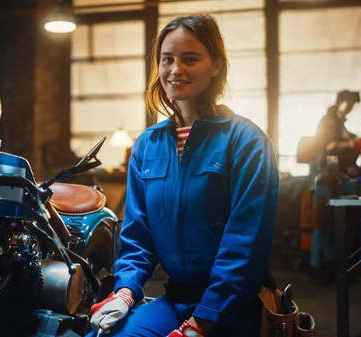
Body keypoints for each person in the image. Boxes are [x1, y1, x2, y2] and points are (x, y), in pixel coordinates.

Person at [87, 14, 279, 337]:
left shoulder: (247, 142)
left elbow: (245, 245)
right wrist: (125, 292)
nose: (176, 70)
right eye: (167, 60)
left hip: (232, 306)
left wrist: (201, 324)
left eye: (190, 59)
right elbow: (138, 235)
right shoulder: (147, 145)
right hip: (174, 299)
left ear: (216, 64)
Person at [308, 90, 361, 285]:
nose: (349, 109)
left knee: (332, 224)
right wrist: (352, 143)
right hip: (322, 177)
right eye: (348, 104)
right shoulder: (328, 121)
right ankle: (317, 268)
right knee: (322, 224)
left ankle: (330, 268)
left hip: (333, 178)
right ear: (341, 102)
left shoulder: (339, 123)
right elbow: (328, 147)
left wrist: (354, 140)